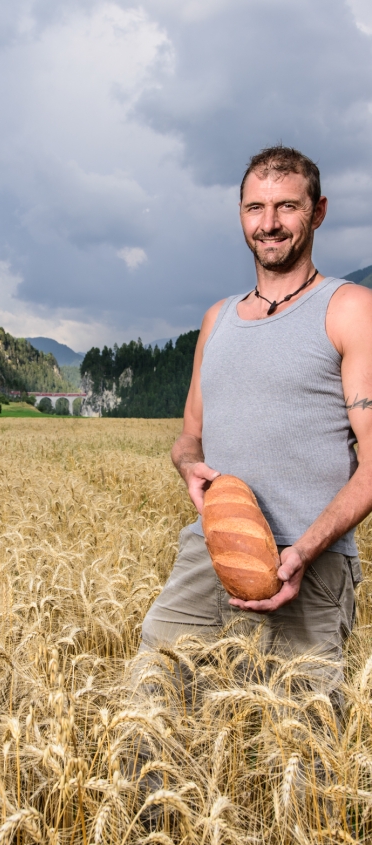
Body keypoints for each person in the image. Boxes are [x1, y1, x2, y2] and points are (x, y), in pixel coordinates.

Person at [138, 145, 372, 703]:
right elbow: (189, 434)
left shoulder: (349, 309)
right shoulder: (216, 319)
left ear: (317, 212)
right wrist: (190, 465)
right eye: (254, 208)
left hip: (309, 561)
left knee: (305, 738)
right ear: (240, 214)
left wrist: (305, 550)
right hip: (212, 552)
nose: (268, 225)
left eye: (287, 207)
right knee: (153, 700)